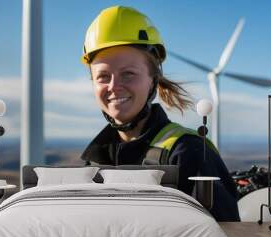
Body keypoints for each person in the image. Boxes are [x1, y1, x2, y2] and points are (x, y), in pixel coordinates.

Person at [79, 6, 240, 221]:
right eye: (103, 76)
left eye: (128, 74)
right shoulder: (93, 161)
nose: (114, 86)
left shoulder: (189, 152)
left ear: (153, 80)